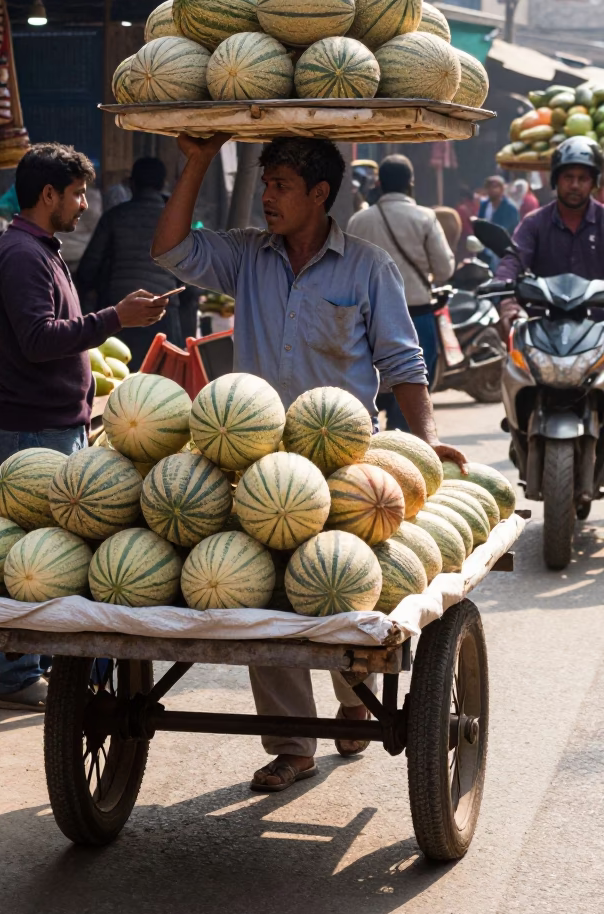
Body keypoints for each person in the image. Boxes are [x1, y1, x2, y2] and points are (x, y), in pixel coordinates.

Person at [151, 134, 466, 794]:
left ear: (320, 195)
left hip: (344, 462)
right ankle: (293, 745)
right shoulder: (245, 256)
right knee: (264, 592)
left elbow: (403, 364)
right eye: (265, 184)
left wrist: (427, 437)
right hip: (259, 459)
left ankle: (354, 699)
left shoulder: (368, 268)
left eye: (281, 186)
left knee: (337, 587)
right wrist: (200, 161)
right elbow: (172, 250)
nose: (267, 196)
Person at [0, 143, 168, 710]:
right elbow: (39, 339)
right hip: (33, 429)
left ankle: (38, 669)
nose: (85, 204)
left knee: (53, 553)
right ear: (48, 195)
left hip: (56, 423)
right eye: (78, 193)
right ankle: (16, 678)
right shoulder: (20, 255)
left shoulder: (42, 249)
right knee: (34, 555)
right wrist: (117, 317)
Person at [347, 155, 455, 429]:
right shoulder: (425, 217)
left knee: (360, 404)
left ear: (380, 183)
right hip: (417, 320)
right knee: (409, 408)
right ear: (411, 183)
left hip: (365, 326)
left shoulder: (358, 221)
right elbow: (444, 270)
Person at [77, 156, 183, 369]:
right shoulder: (176, 220)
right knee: (160, 382)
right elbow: (190, 277)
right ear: (163, 185)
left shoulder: (115, 217)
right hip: (163, 312)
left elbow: (88, 269)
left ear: (132, 184)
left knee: (121, 379)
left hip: (121, 313)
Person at [495, 139, 604, 333]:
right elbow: (513, 258)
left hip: (598, 330)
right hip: (544, 330)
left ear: (593, 183)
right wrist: (508, 301)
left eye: (583, 178)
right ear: (556, 180)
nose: (575, 185)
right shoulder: (534, 223)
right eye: (568, 177)